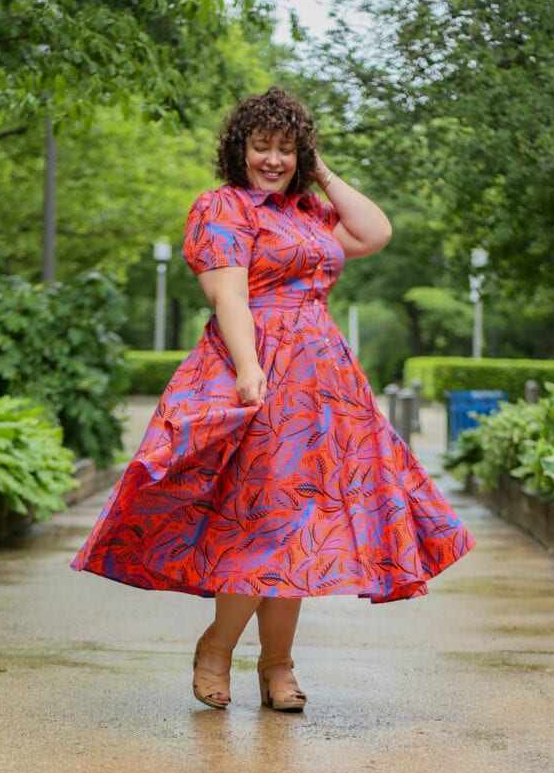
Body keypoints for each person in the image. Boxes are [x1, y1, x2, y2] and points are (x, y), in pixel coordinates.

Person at [71, 87, 476, 712]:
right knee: (262, 520)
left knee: (303, 523)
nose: (272, 159)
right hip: (256, 371)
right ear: (239, 149)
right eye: (261, 145)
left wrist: (320, 170)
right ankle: (218, 646)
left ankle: (278, 663)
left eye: (286, 148)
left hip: (323, 383)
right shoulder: (222, 207)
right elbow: (228, 296)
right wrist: (248, 367)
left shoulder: (308, 211)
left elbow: (374, 231)